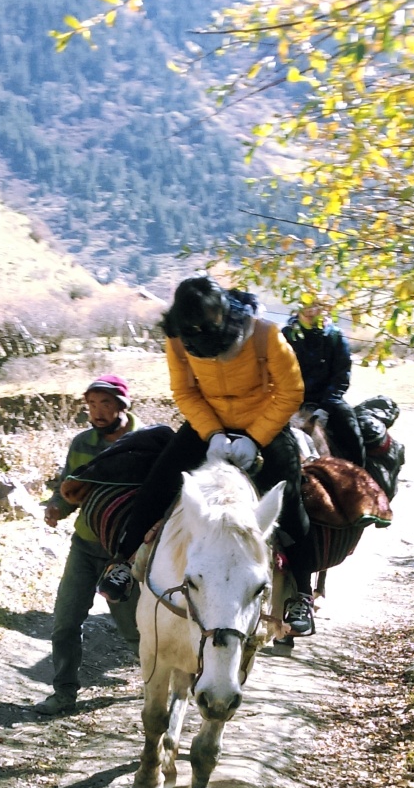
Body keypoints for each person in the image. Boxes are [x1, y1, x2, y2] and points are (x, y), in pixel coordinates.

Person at [96, 275, 317, 637]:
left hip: (264, 423)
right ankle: (122, 561)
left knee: (289, 499)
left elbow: (290, 391)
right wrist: (211, 433)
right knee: (158, 483)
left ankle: (301, 594)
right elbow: (183, 390)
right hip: (207, 425)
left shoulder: (264, 334)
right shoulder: (177, 336)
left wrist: (256, 438)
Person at [34, 375, 143, 716]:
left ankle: (163, 685)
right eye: (92, 405)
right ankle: (64, 692)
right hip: (84, 545)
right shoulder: (82, 442)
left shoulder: (146, 443)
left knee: (135, 631)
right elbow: (71, 486)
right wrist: (57, 507)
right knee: (65, 622)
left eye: (105, 404)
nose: (97, 412)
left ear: (122, 406)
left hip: (126, 553)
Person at [282, 301, 365, 467]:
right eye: (306, 305)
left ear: (324, 309)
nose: (311, 310)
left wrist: (326, 408)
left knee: (351, 429)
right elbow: (278, 372)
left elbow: (341, 375)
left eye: (316, 306)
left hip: (327, 400)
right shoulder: (286, 335)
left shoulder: (335, 336)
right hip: (292, 400)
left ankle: (361, 475)